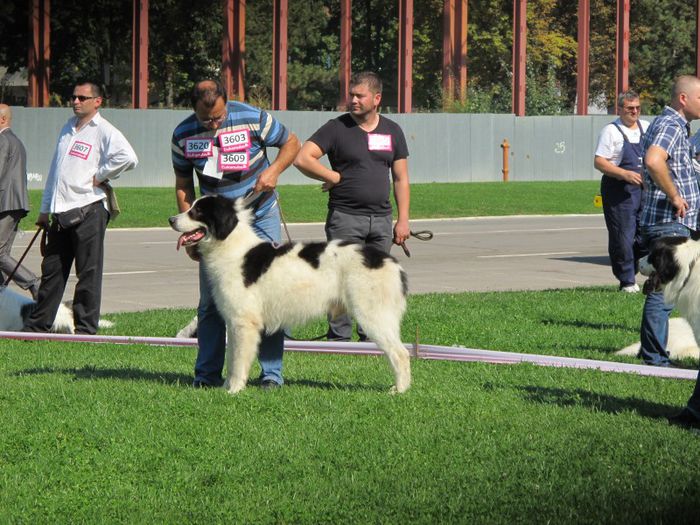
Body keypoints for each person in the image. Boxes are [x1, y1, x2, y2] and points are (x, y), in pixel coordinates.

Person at [172, 79, 300, 389]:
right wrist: (192, 232)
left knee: (268, 297)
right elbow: (183, 184)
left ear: (226, 103)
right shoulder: (182, 134)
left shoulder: (253, 117)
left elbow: (292, 143)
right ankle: (206, 375)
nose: (214, 123)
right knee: (212, 302)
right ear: (194, 110)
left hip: (260, 215)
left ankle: (271, 375)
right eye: (206, 119)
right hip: (217, 225)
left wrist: (273, 171)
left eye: (218, 116)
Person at [294, 71, 410, 341]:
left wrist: (403, 219)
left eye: (360, 95)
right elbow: (303, 158)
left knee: (375, 280)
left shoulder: (392, 130)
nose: (354, 100)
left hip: (381, 220)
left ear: (377, 98)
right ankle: (339, 338)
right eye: (352, 95)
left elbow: (401, 178)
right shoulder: (336, 128)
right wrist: (332, 176)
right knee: (339, 280)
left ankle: (371, 335)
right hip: (345, 218)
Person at [23, 82, 138, 335]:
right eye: (73, 97)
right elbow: (55, 171)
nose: (75, 101)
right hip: (60, 211)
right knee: (52, 270)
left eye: (82, 98)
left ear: (97, 101)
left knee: (88, 272)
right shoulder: (67, 127)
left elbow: (128, 157)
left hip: (90, 209)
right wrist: (45, 210)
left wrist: (101, 175)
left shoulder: (104, 130)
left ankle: (86, 329)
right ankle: (37, 326)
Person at [638, 75, 700, 369]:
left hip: (670, 220)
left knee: (664, 288)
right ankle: (654, 359)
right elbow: (653, 160)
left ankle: (651, 353)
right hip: (668, 219)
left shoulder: (671, 125)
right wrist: (675, 196)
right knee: (663, 290)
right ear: (683, 98)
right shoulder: (671, 125)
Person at [594, 91, 649, 293]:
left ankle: (644, 272)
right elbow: (599, 162)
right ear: (620, 109)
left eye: (637, 108)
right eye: (629, 109)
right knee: (623, 236)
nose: (634, 112)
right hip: (619, 191)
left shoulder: (647, 127)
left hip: (644, 190)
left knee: (645, 234)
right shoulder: (611, 131)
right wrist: (624, 174)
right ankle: (626, 280)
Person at [0, 104, 40, 299]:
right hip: (13, 203)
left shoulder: (3, 140)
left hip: (5, 203)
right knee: (2, 253)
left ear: (2, 119)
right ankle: (2, 296)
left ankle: (33, 283)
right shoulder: (16, 141)